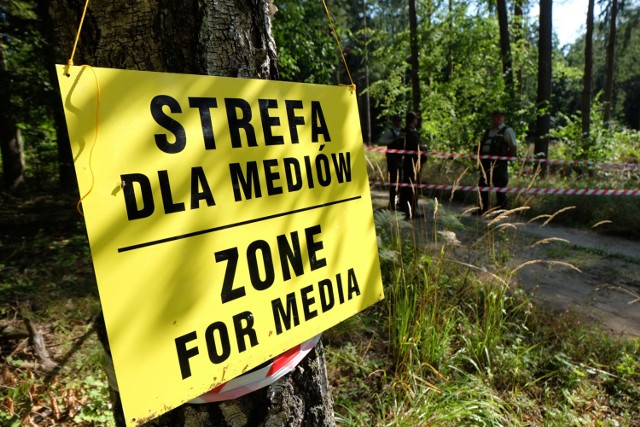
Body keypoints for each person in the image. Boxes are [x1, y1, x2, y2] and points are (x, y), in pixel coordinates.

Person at [476, 110, 517, 213]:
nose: (498, 118)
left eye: (500, 117)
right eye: (496, 116)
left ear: (503, 118)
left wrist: (505, 159)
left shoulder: (507, 131)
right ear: (492, 118)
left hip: (499, 163)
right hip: (485, 162)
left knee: (500, 186)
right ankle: (482, 209)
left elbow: (513, 147)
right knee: (483, 185)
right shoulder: (488, 131)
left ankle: (500, 211)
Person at [398, 111, 427, 219]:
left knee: (406, 187)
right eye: (415, 119)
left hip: (407, 164)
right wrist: (424, 150)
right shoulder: (411, 133)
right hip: (413, 164)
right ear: (413, 120)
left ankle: (405, 210)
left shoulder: (404, 132)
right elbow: (417, 147)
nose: (417, 121)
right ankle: (410, 211)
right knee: (412, 188)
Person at [378, 114, 404, 210]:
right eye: (397, 121)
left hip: (400, 159)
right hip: (392, 160)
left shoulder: (401, 132)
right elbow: (380, 142)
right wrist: (393, 140)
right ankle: (392, 203)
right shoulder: (390, 131)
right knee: (393, 182)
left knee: (400, 182)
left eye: (400, 121)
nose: (399, 122)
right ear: (394, 121)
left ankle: (397, 202)